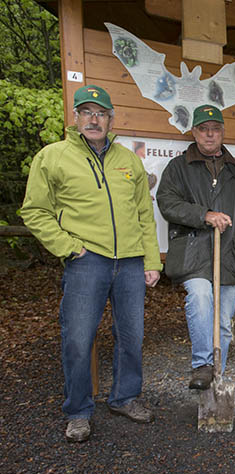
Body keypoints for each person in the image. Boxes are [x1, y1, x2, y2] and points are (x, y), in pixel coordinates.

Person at [20, 85, 161, 442]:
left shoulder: (128, 160)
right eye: (87, 112)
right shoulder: (53, 156)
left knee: (132, 337)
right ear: (76, 118)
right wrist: (67, 247)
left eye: (100, 113)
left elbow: (144, 214)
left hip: (129, 261)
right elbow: (34, 211)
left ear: (111, 119)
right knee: (78, 339)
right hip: (87, 261)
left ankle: (125, 397)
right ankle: (79, 411)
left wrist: (150, 259)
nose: (94, 119)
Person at [157, 105, 235, 389]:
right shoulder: (178, 168)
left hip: (231, 257)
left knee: (223, 323)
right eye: (204, 129)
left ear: (223, 132)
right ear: (194, 132)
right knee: (199, 298)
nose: (210, 134)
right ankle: (202, 364)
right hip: (194, 253)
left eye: (215, 129)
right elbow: (167, 204)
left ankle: (214, 381)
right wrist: (204, 215)